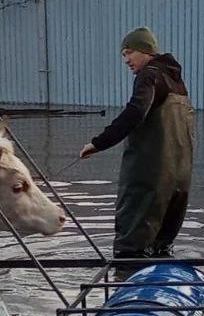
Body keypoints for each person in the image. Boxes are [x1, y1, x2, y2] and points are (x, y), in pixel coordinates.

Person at [79, 27, 194, 260]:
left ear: (145, 51)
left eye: (128, 53)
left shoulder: (149, 75)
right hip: (179, 180)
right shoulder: (177, 82)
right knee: (161, 246)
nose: (126, 60)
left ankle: (127, 288)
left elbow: (136, 111)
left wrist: (99, 143)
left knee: (130, 249)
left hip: (148, 177)